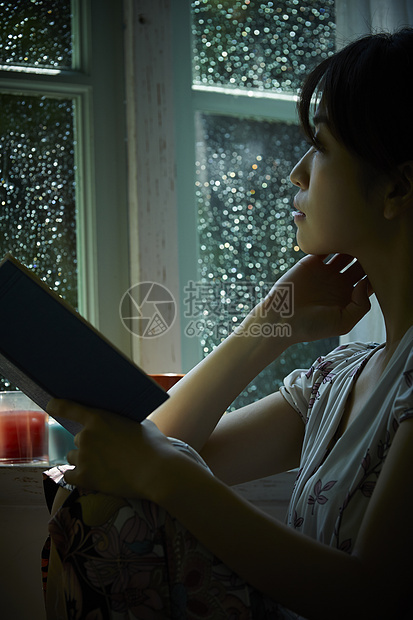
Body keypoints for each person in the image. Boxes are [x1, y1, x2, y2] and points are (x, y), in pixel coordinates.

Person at [43, 28, 413, 619]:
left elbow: (375, 594)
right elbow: (144, 458)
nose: (297, 173)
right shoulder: (341, 379)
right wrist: (272, 322)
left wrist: (170, 477)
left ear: (396, 186)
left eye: (320, 147)